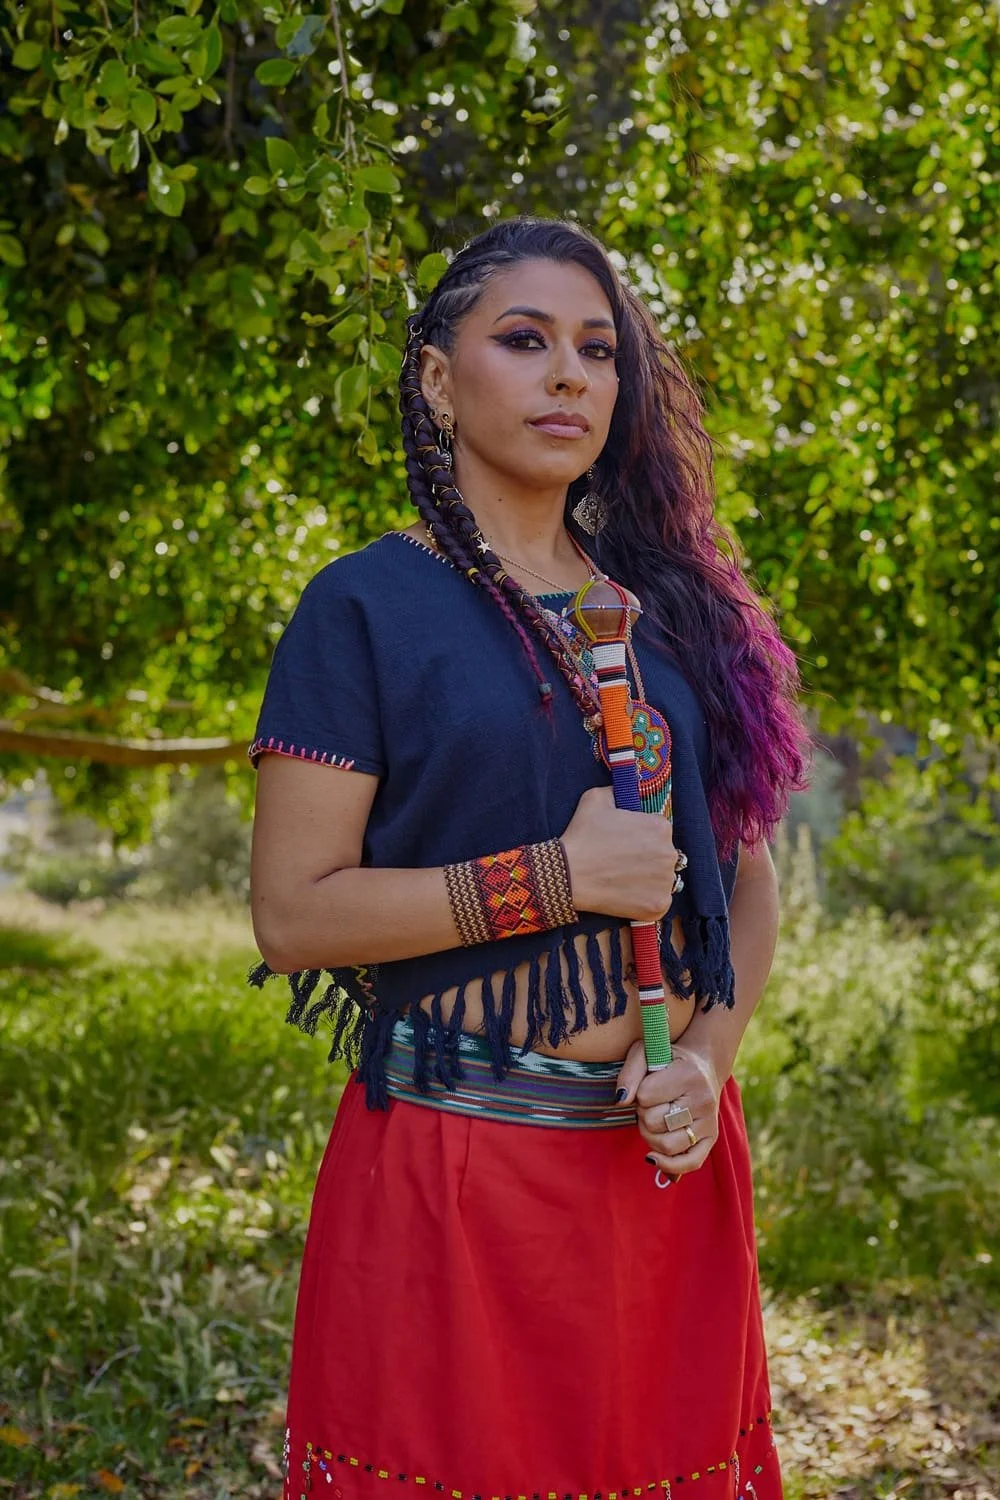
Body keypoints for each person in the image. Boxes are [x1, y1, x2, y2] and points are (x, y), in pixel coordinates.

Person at [248, 216, 809, 1500]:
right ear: (439, 382)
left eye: (597, 350)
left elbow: (745, 881)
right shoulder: (365, 608)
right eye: (524, 340)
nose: (568, 376)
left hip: (662, 1171)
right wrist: (552, 880)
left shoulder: (670, 617)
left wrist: (707, 1067)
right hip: (452, 1176)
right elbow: (293, 914)